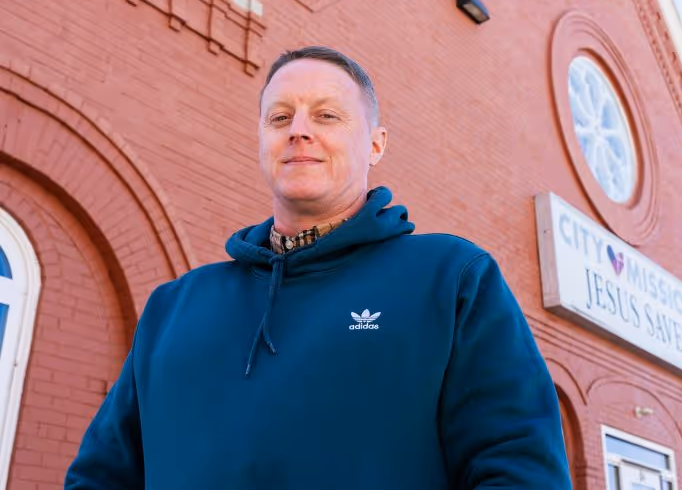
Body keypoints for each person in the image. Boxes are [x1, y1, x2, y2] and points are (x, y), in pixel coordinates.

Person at [66, 46, 572, 489]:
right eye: (279, 118)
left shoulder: (451, 280)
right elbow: (100, 477)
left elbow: (520, 472)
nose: (299, 131)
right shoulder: (174, 308)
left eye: (327, 116)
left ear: (376, 144)